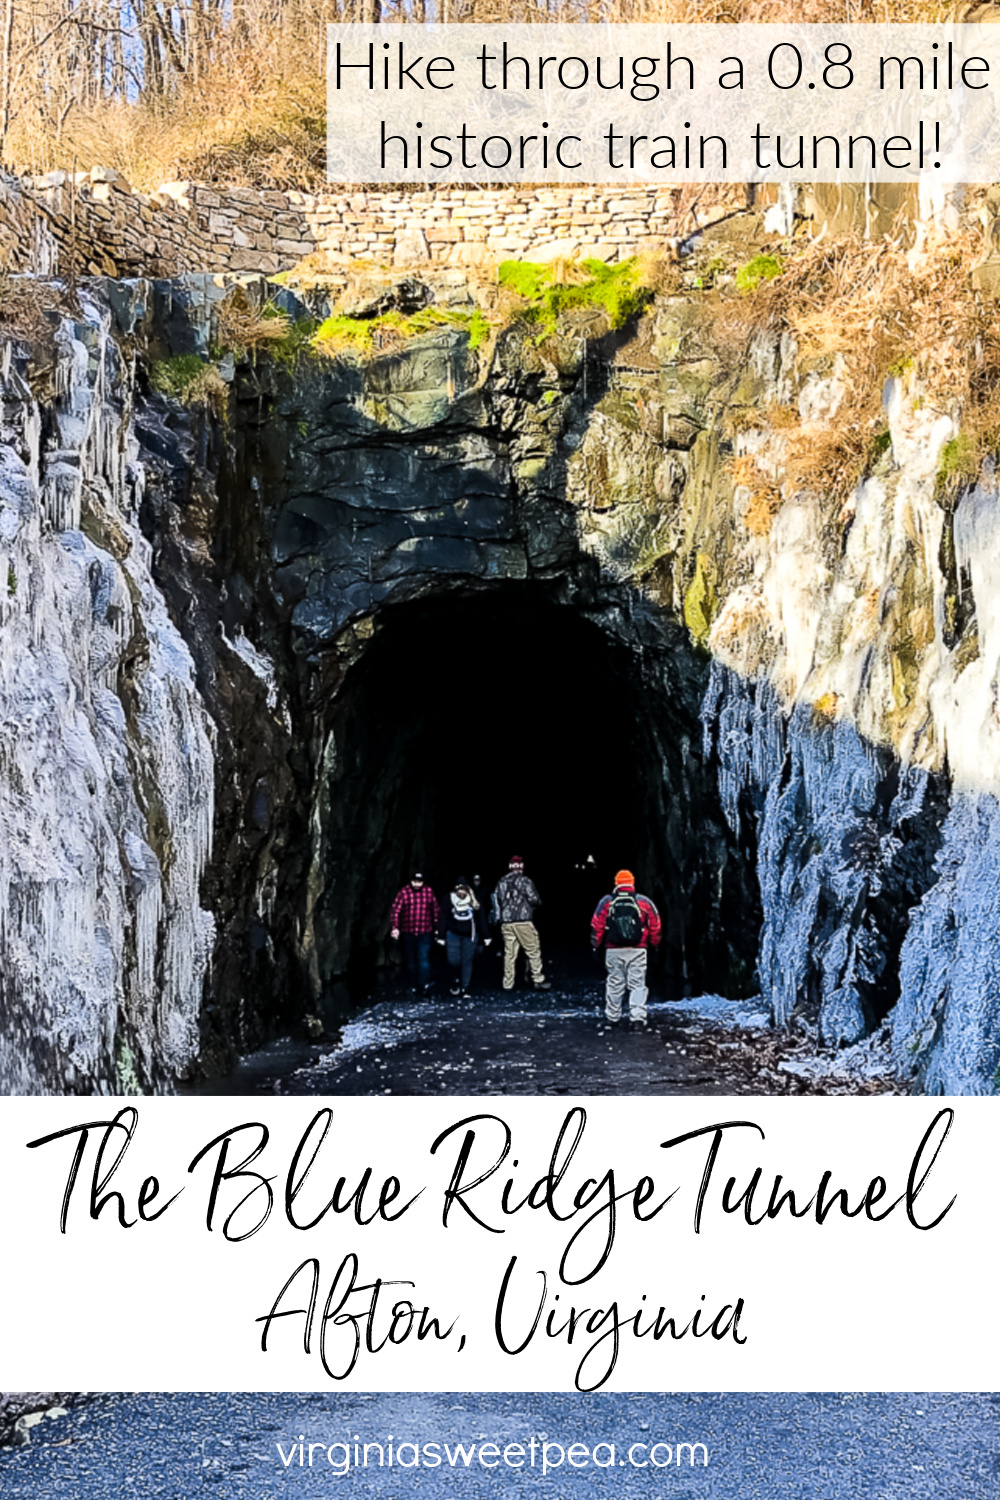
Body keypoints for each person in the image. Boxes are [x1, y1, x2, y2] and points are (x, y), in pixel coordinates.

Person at [590, 869, 661, 1027]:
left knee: (615, 983)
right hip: (638, 949)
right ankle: (637, 1018)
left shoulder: (607, 901)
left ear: (616, 883)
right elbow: (655, 924)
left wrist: (596, 945)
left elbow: (597, 924)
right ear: (632, 883)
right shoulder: (643, 902)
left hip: (613, 949)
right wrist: (654, 944)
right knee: (637, 984)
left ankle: (612, 1017)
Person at [494, 855, 551, 991]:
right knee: (533, 950)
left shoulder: (501, 881)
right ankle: (537, 978)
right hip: (523, 920)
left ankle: (508, 983)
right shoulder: (525, 881)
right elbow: (534, 899)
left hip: (507, 921)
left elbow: (498, 900)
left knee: (510, 954)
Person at [438, 878, 491, 997]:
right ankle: (455, 979)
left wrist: (486, 935)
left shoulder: (475, 900)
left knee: (467, 961)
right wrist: (441, 935)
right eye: (459, 889)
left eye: (464, 889)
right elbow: (443, 917)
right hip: (453, 933)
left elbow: (481, 917)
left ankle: (464, 988)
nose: (461, 892)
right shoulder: (448, 899)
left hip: (470, 935)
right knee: (454, 960)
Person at [389, 872, 440, 993]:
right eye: (414, 881)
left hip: (425, 931)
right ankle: (413, 983)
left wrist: (438, 928)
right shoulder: (404, 892)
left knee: (423, 958)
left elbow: (435, 911)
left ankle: (423, 984)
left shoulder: (428, 892)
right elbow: (396, 910)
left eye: (419, 881)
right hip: (409, 932)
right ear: (411, 881)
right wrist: (395, 927)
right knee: (411, 959)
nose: (416, 884)